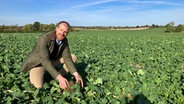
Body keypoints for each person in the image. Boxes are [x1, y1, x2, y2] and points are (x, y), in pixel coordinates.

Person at [21, 21, 83, 90]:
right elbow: (44, 60)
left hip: (51, 61)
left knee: (72, 57)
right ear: (56, 28)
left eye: (65, 32)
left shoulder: (64, 41)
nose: (62, 33)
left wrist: (76, 74)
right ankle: (57, 76)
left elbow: (67, 58)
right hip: (39, 63)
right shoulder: (44, 38)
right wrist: (59, 77)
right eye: (61, 30)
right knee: (38, 87)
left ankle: (57, 76)